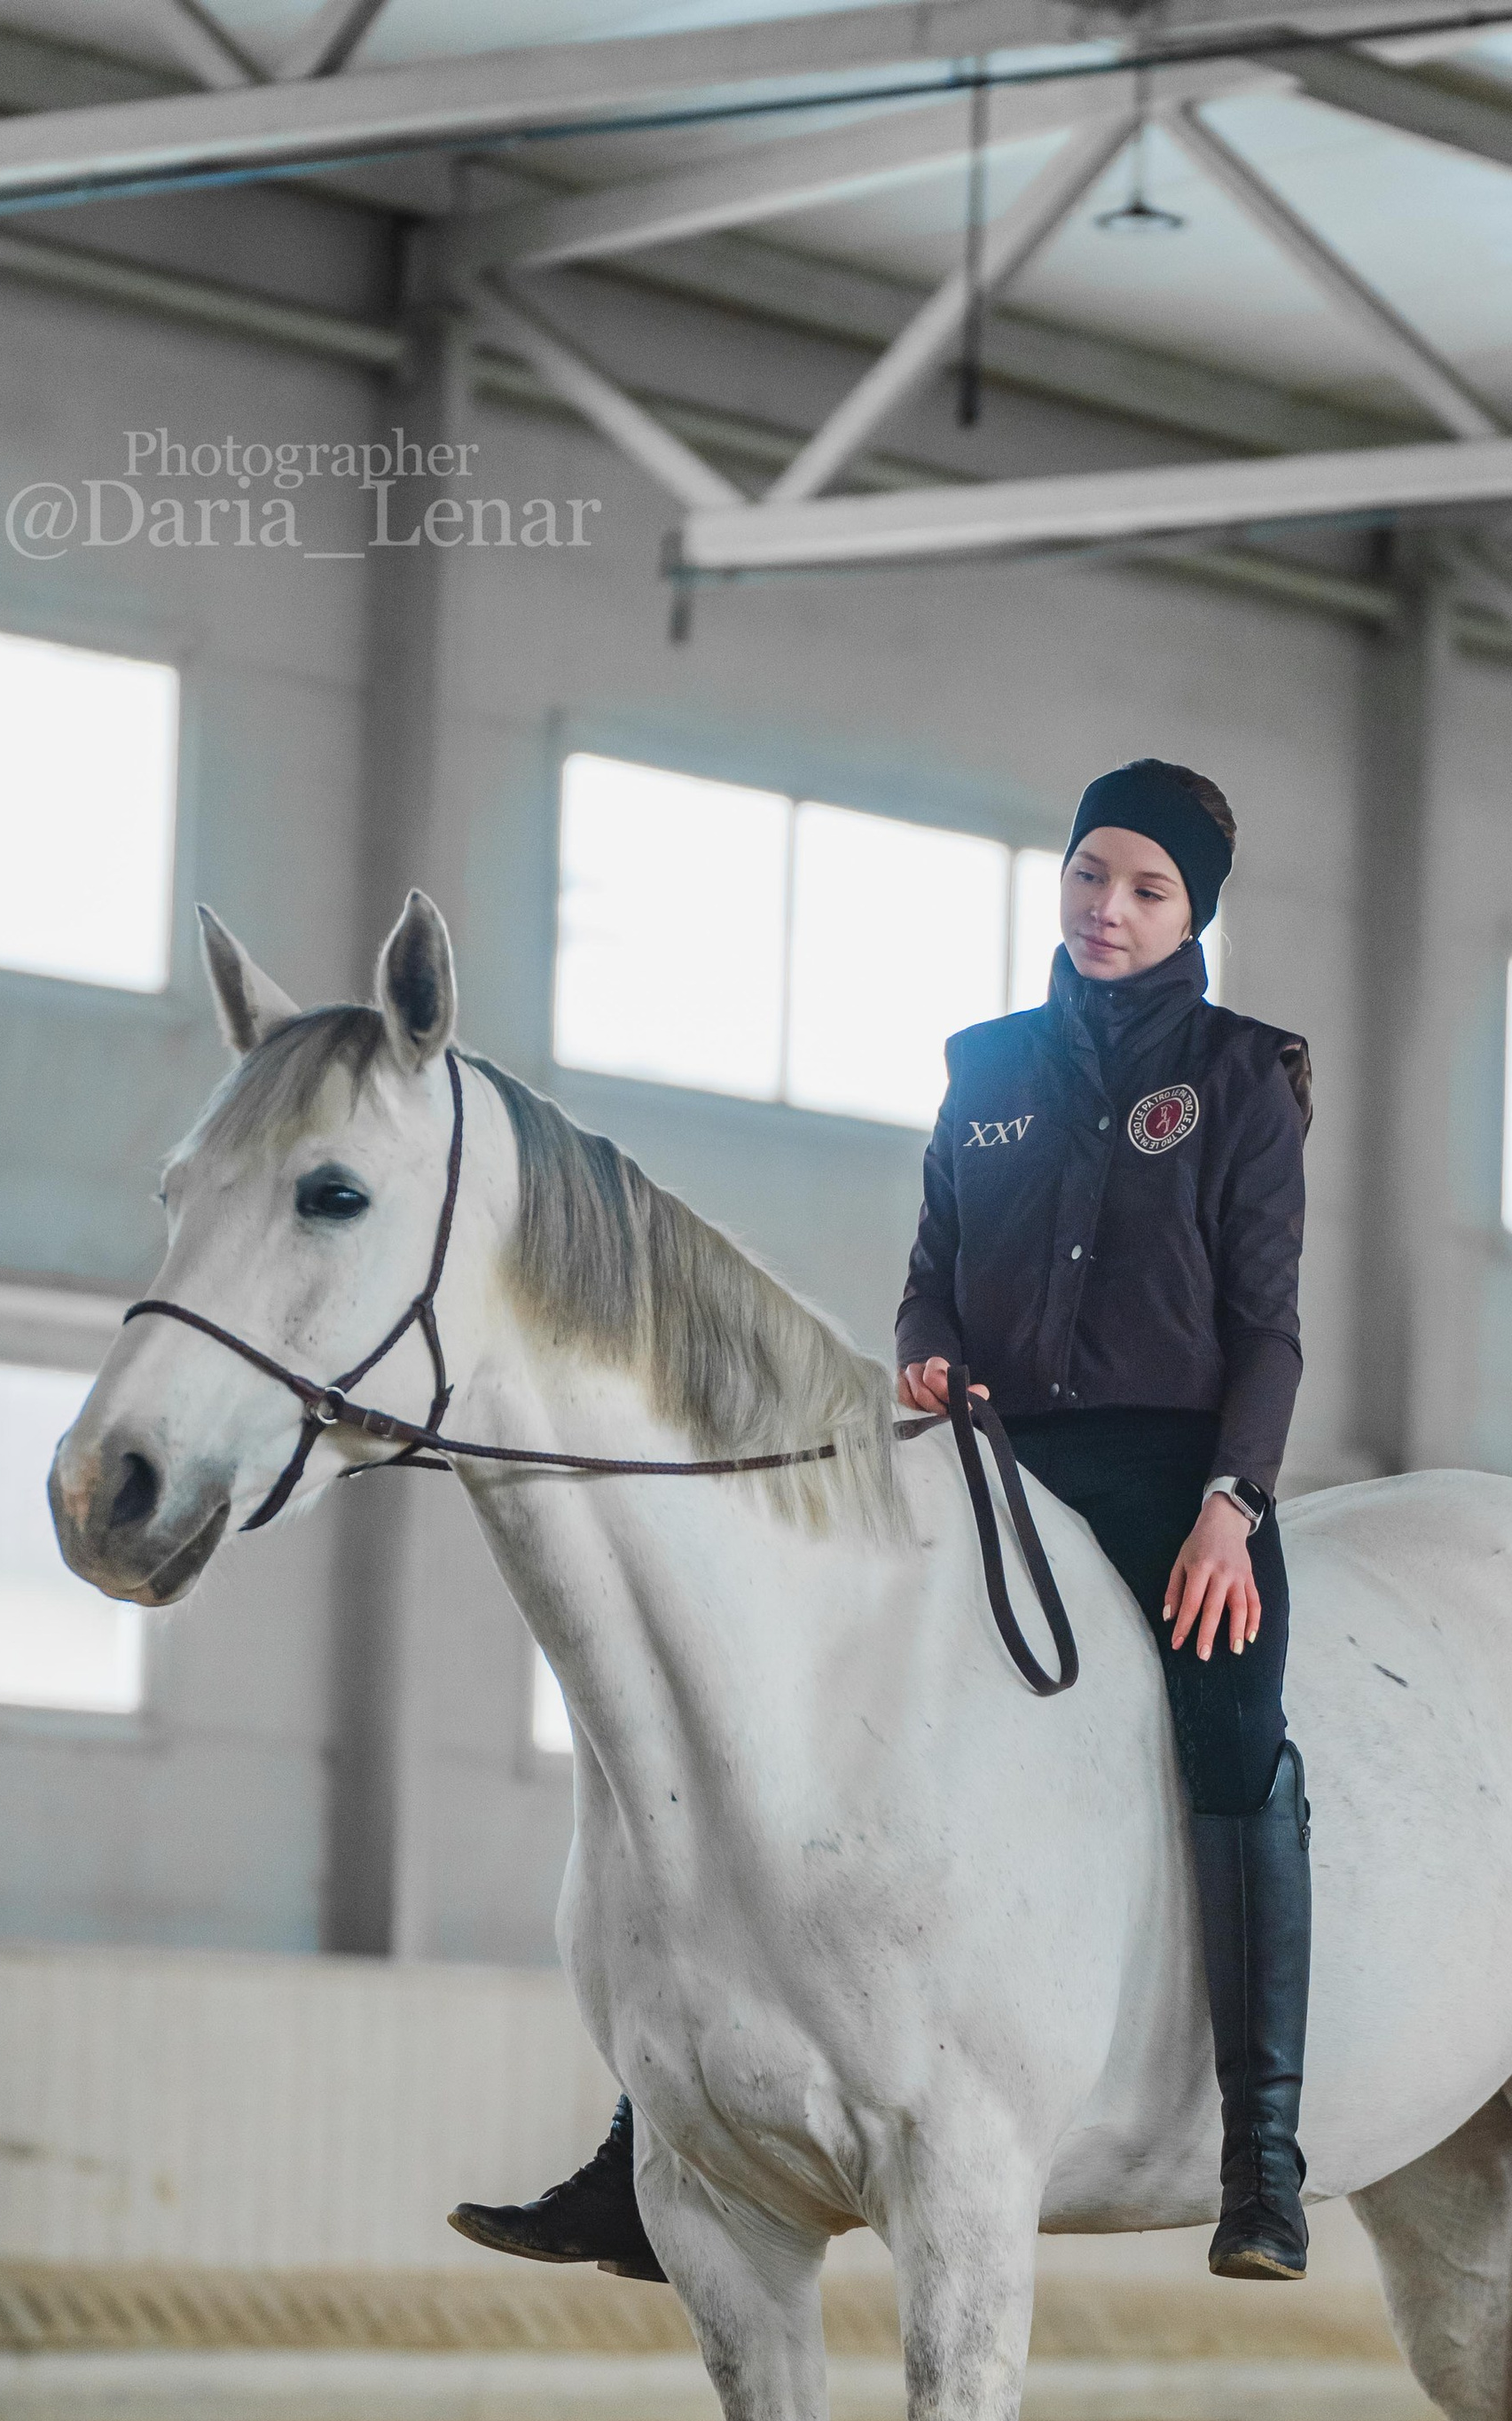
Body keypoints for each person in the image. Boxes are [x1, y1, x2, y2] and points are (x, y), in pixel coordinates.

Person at [450, 755, 1312, 2287]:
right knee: (780, 1698)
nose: (1107, 909)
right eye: (1089, 873)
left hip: (1171, 1482)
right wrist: (925, 1345)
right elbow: (931, 1265)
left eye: (1147, 888)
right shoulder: (984, 1067)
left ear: (1195, 916)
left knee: (1237, 1736)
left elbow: (1269, 1328)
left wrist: (1234, 1506)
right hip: (981, 1457)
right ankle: (650, 2128)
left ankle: (1263, 2151)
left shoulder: (1247, 1081)